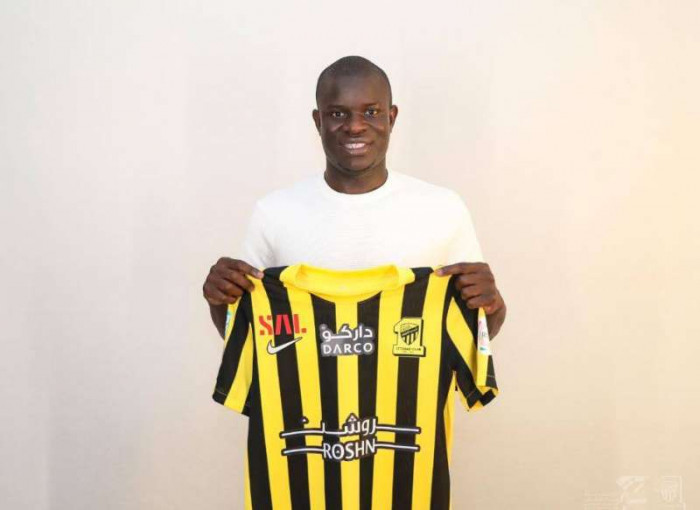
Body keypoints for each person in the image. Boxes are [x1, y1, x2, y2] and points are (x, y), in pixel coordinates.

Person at [203, 55, 506, 340]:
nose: (355, 126)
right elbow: (244, 336)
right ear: (318, 121)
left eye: (371, 112)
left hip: (415, 384)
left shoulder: (443, 209)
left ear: (391, 117)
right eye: (338, 114)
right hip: (303, 384)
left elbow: (476, 336)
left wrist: (493, 304)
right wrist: (219, 299)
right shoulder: (274, 213)